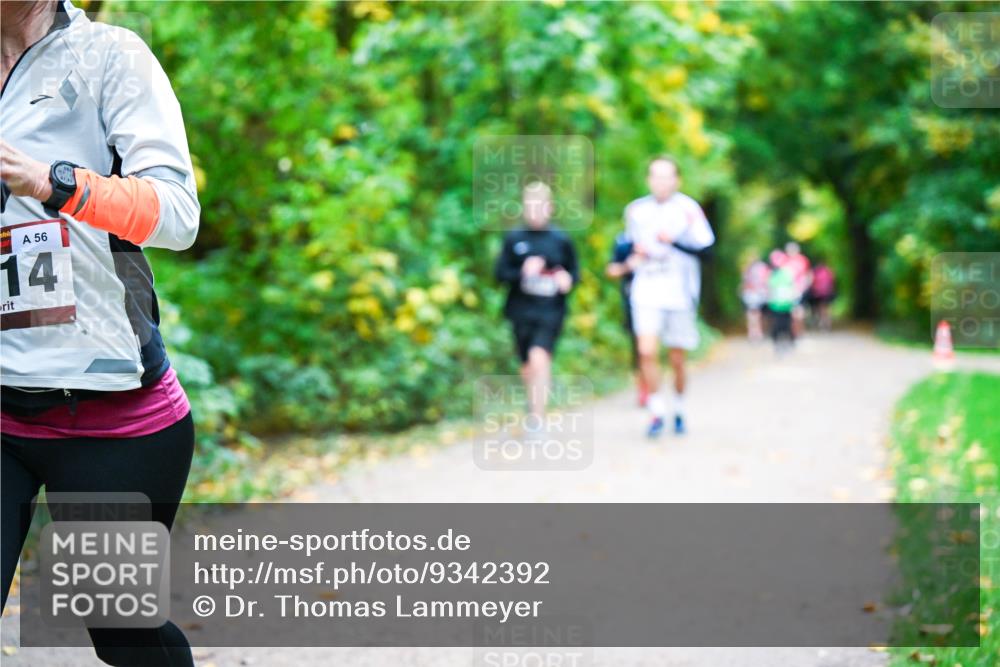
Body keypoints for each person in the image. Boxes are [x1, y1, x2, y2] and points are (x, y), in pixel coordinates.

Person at [1, 2, 200, 665]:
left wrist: (52, 182)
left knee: (123, 633)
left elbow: (176, 215)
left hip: (115, 418)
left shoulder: (112, 58)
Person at [624, 156, 714, 438]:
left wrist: (672, 241)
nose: (661, 182)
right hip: (646, 290)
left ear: (677, 180)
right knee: (646, 351)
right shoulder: (635, 211)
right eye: (655, 176)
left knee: (677, 359)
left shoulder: (689, 210)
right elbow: (627, 249)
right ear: (648, 180)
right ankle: (656, 410)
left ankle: (679, 405)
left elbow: (707, 253)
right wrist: (634, 258)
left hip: (680, 294)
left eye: (666, 176)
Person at [495, 181, 578, 422]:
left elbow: (575, 274)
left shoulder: (561, 239)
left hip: (551, 311)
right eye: (530, 206)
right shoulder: (514, 238)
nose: (534, 211)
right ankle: (533, 402)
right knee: (527, 367)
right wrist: (523, 271)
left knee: (539, 358)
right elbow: (500, 274)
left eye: (539, 206)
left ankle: (537, 418)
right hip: (521, 311)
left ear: (549, 207)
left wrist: (566, 279)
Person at [605, 232, 648, 406]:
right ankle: (643, 389)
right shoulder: (623, 241)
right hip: (632, 301)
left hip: (661, 300)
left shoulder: (664, 236)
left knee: (649, 346)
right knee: (639, 347)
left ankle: (653, 387)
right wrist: (628, 266)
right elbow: (611, 270)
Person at [766, 250, 797, 354]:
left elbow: (792, 287)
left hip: (786, 304)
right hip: (775, 304)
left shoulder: (787, 272)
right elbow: (769, 288)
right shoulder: (772, 273)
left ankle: (788, 342)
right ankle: (777, 343)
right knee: (777, 325)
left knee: (787, 324)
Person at [783, 241, 812, 338]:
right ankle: (793, 333)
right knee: (792, 314)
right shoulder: (785, 261)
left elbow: (808, 274)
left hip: (800, 291)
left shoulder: (803, 260)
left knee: (799, 313)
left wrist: (806, 286)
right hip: (788, 291)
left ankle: (800, 332)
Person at [740, 256, 771, 342]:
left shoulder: (757, 268)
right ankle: (755, 333)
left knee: (757, 316)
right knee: (754, 315)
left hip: (758, 295)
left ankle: (756, 333)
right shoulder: (749, 269)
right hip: (753, 296)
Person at [807, 260, 837, 331]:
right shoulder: (829, 271)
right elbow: (833, 281)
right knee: (826, 308)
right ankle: (826, 322)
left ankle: (822, 322)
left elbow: (811, 282)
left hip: (818, 294)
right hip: (828, 293)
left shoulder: (815, 272)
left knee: (820, 308)